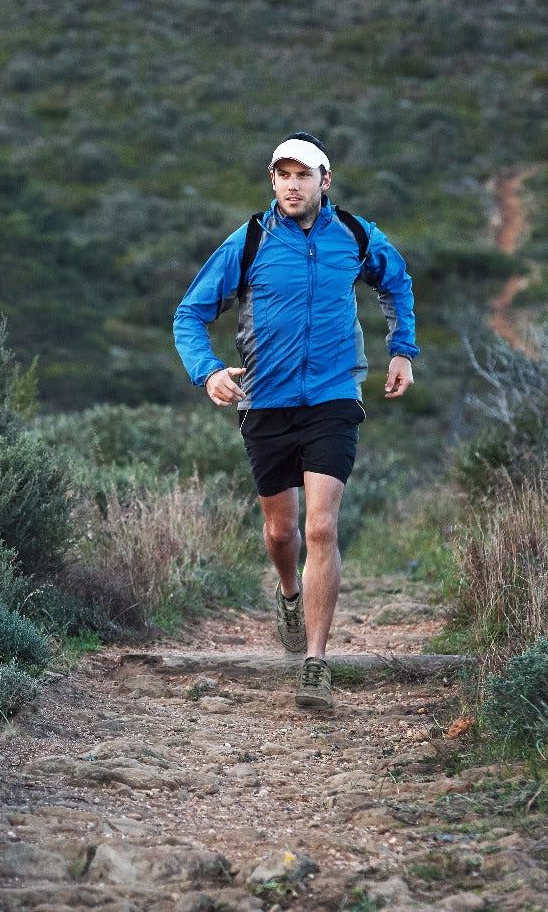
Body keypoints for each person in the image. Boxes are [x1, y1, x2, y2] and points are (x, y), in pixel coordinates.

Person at [172, 131, 419, 709]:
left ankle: (316, 660)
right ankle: (288, 592)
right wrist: (207, 371)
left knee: (321, 528)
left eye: (303, 175)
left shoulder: (355, 236)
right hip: (267, 403)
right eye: (282, 175)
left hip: (333, 399)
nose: (291, 184)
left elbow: (397, 283)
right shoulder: (251, 242)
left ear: (323, 182)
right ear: (273, 180)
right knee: (282, 532)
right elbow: (190, 312)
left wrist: (402, 350)